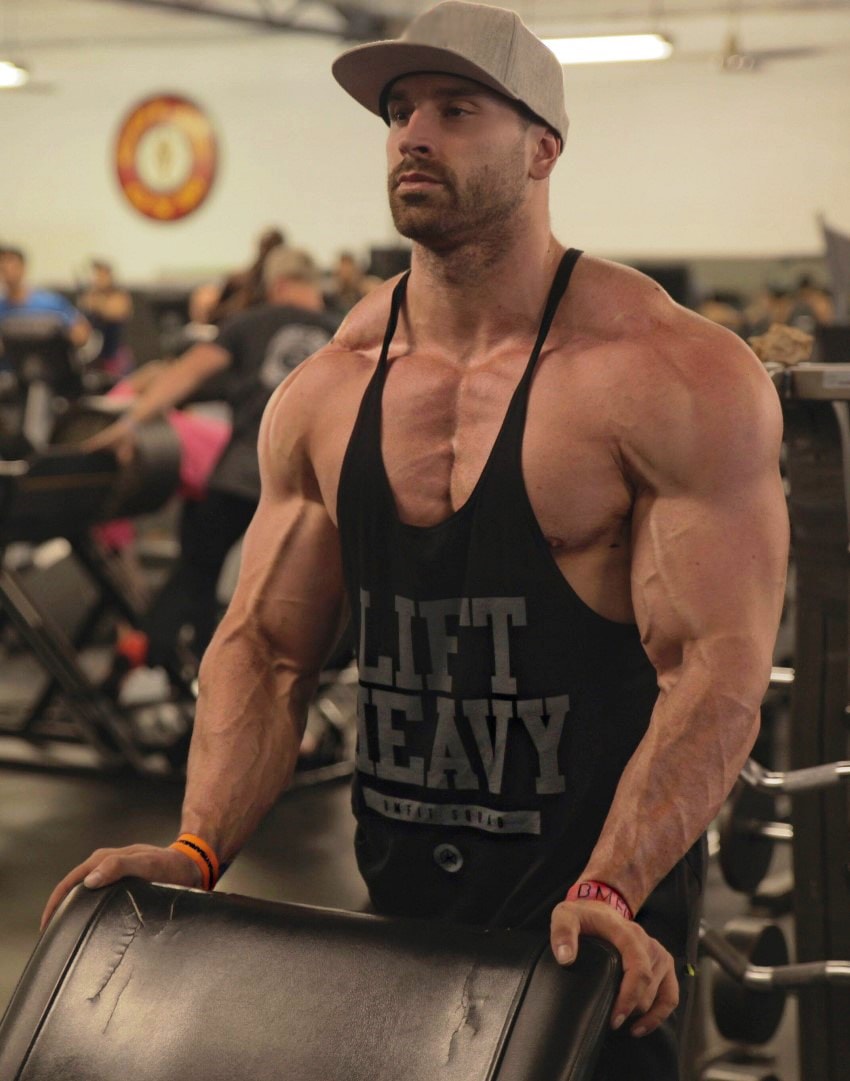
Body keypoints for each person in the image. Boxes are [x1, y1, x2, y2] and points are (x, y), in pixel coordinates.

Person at [42, 4, 788, 1078]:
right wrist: (196, 846)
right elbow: (265, 646)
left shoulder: (667, 373)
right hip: (391, 931)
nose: (411, 135)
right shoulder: (329, 387)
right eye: (396, 112)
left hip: (596, 938)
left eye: (454, 108)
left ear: (543, 148)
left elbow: (715, 668)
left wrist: (611, 882)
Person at [86, 246, 338, 675]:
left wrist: (128, 422)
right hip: (316, 484)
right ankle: (206, 671)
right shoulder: (345, 330)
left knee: (196, 569)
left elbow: (187, 373)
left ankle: (178, 667)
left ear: (276, 285)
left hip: (245, 473)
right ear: (314, 285)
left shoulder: (249, 323)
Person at [0, 246, 90, 347]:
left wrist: (77, 335)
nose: (8, 272)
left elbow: (79, 329)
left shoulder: (51, 302)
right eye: (3, 268)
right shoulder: (1, 308)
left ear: (23, 268)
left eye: (12, 266)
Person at [76, 259, 134, 377]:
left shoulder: (119, 296)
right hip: (92, 356)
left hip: (114, 356)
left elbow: (115, 311)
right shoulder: (87, 296)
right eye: (95, 275)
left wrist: (97, 302)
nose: (97, 278)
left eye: (100, 274)